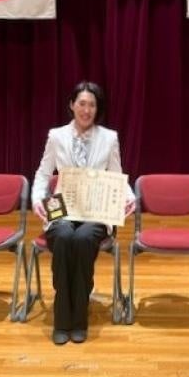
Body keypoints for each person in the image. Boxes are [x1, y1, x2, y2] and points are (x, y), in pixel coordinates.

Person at [31, 81, 135, 345]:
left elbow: (117, 174)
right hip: (61, 204)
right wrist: (37, 200)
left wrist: (129, 198)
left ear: (97, 109)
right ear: (72, 105)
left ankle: (78, 318)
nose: (86, 110)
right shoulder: (56, 135)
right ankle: (62, 316)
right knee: (63, 235)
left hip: (95, 209)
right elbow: (43, 173)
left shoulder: (109, 138)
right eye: (82, 103)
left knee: (83, 238)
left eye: (92, 105)